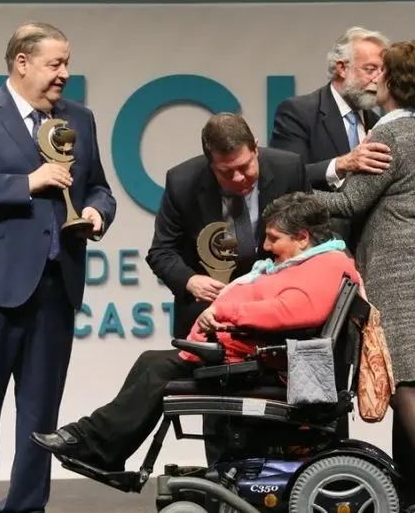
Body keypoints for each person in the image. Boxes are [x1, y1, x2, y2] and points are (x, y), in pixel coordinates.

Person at [31, 191, 361, 471]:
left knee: (161, 369)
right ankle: (102, 450)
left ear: (302, 237)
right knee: (150, 360)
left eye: (274, 238)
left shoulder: (327, 264)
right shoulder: (310, 262)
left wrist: (226, 312)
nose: (265, 246)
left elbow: (294, 310)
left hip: (266, 367)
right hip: (251, 355)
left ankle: (90, 442)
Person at [0, 22, 117, 513]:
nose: (65, 73)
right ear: (22, 62)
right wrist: (27, 182)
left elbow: (98, 186)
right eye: (55, 63)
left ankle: (26, 505)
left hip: (56, 288)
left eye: (67, 63)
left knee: (41, 416)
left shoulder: (79, 118)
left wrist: (98, 211)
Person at [312, 40, 415, 513]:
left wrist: (293, 193)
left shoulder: (392, 135)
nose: (376, 79)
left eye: (384, 73)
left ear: (395, 82)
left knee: (404, 389)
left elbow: (349, 202)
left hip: (397, 275)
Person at [144, 112, 310, 464]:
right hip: (215, 326)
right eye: (226, 172)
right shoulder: (182, 181)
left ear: (256, 149)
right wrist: (190, 280)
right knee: (222, 432)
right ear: (210, 165)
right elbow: (161, 252)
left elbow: (312, 240)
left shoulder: (289, 169)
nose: (238, 178)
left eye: (245, 167)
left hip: (276, 320)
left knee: (280, 433)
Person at [269, 26, 393, 250]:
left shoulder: (377, 123)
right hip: (317, 246)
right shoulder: (299, 112)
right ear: (342, 68)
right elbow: (286, 180)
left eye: (382, 71)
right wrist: (341, 164)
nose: (378, 79)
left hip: (367, 249)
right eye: (371, 69)